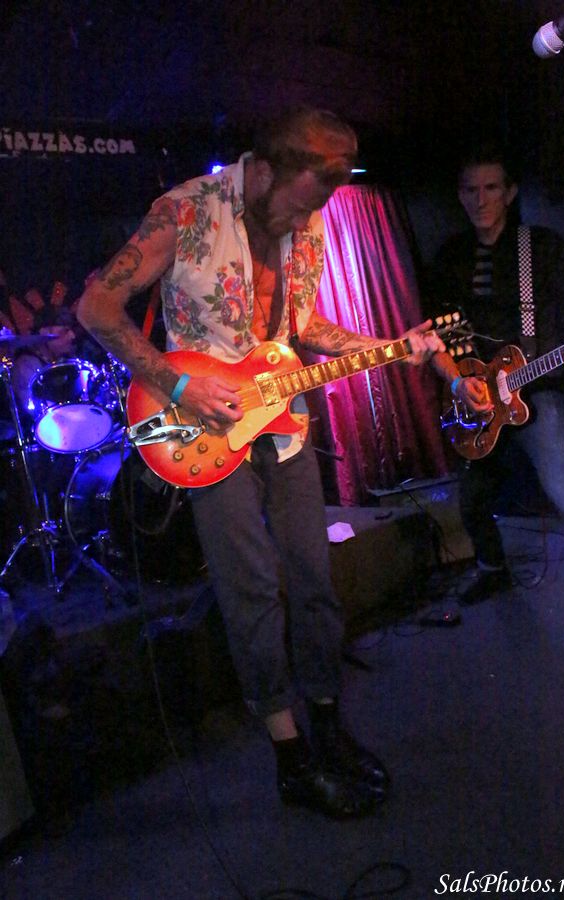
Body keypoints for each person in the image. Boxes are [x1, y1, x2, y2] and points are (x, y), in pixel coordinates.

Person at [76, 106, 444, 819]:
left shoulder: (308, 220)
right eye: (297, 205)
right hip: (203, 431)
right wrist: (178, 384)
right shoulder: (186, 210)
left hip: (283, 423)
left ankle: (327, 725)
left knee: (313, 580)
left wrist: (391, 346)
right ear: (266, 170)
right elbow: (96, 308)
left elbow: (304, 327)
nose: (304, 221)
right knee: (250, 591)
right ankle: (291, 758)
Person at [427, 141, 564, 605]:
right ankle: (491, 568)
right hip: (475, 399)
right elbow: (434, 338)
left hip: (534, 390)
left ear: (510, 192)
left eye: (490, 188)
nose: (480, 199)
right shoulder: (450, 257)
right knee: (473, 500)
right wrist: (458, 382)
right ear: (459, 195)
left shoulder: (540, 246)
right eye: (470, 190)